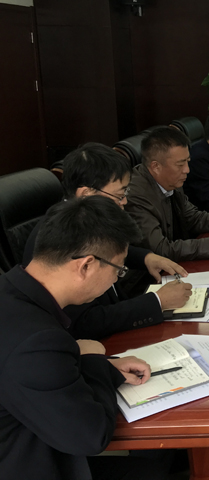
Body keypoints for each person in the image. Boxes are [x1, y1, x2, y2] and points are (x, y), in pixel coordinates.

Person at [0, 197, 171, 479]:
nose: (116, 279)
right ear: (86, 266)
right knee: (154, 470)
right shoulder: (37, 342)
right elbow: (91, 437)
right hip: (31, 462)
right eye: (118, 270)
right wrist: (92, 358)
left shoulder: (11, 290)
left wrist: (100, 364)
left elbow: (38, 376)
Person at [22, 143, 192, 339]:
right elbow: (83, 323)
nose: (124, 201)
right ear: (86, 194)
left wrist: (145, 258)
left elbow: (104, 250)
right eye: (119, 195)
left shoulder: (84, 219)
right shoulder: (60, 239)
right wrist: (157, 301)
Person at [125, 126, 209, 261]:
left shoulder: (171, 179)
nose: (187, 170)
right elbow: (160, 249)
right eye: (180, 165)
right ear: (156, 167)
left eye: (187, 162)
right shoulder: (135, 196)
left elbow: (193, 218)